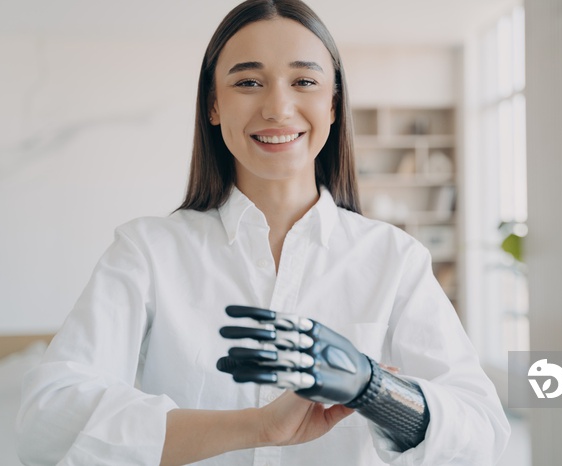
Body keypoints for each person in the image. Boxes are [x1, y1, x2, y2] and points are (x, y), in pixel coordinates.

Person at [16, 0, 510, 464]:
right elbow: (44, 422)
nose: (277, 108)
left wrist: (375, 390)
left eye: (304, 82)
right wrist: (256, 426)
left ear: (334, 105)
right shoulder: (146, 252)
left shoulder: (394, 259)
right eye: (249, 82)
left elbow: (482, 432)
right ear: (213, 105)